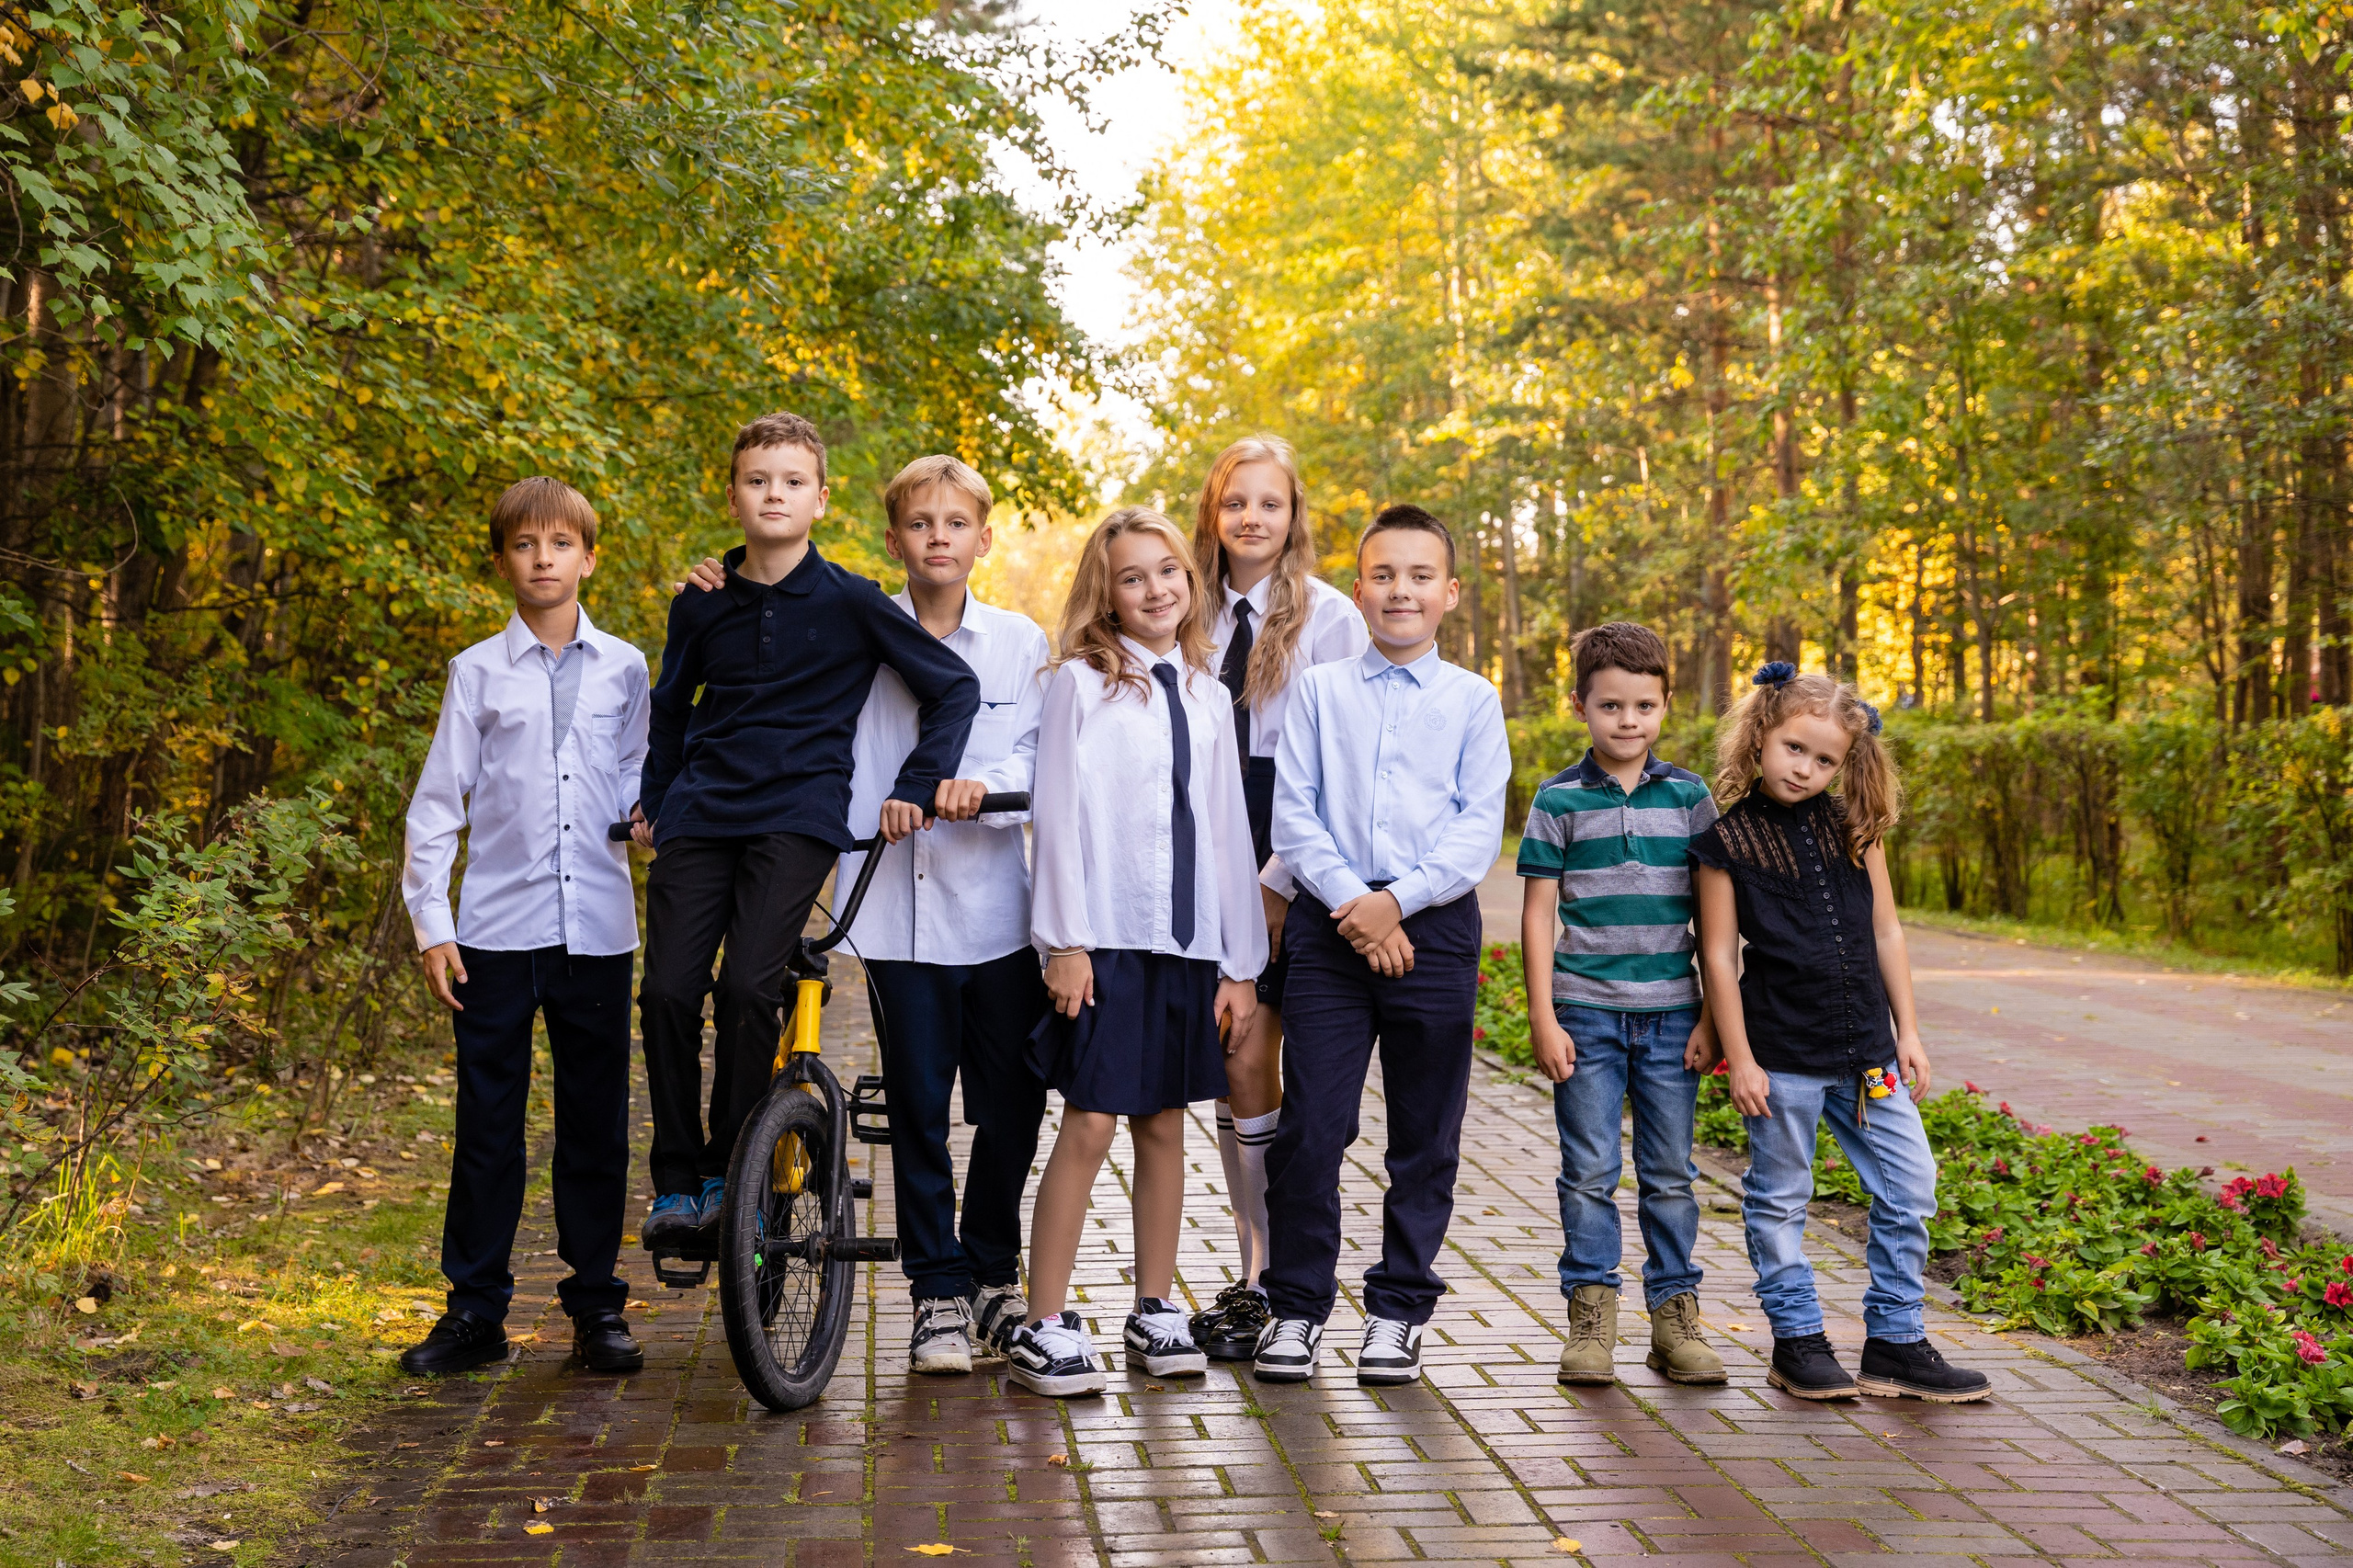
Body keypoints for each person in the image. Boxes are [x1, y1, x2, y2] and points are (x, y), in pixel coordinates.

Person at [633, 412, 980, 1253]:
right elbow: (671, 712)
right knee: (667, 993)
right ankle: (679, 1182)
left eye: (792, 482)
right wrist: (656, 802)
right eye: (758, 481)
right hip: (702, 816)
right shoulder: (701, 602)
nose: (774, 495)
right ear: (733, 496)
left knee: (751, 989)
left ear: (820, 499)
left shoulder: (853, 601)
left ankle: (733, 1173)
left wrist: (914, 787)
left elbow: (954, 688)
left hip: (797, 818)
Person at [1252, 505, 1511, 1386]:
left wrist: (1396, 903)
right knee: (1312, 1127)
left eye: (1420, 575)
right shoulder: (1320, 692)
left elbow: (1478, 834)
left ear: (1449, 593)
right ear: (1358, 589)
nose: (1402, 590)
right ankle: (1295, 1308)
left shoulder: (1474, 702)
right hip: (1331, 929)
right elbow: (1295, 814)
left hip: (1433, 931)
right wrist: (1357, 906)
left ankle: (1399, 1311)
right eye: (1385, 575)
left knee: (1425, 1135)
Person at [1011, 506, 1267, 1398]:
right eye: (1132, 576)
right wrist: (1065, 941)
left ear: (1189, 581)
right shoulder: (1079, 683)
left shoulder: (1204, 689)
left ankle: (1153, 1304)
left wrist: (1240, 960)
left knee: (1165, 1123)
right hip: (1106, 936)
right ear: (1106, 592)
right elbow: (1056, 814)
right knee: (1088, 1120)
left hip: (1187, 941)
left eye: (1168, 570)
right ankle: (1043, 1321)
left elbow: (1229, 829)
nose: (1155, 588)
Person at [399, 477, 650, 1377]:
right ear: (502, 559)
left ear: (588, 556)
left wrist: (650, 815)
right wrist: (434, 925)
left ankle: (594, 1306)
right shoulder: (478, 671)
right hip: (494, 934)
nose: (542, 559)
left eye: (559, 544)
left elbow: (635, 780)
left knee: (595, 1124)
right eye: (524, 545)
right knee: (488, 1124)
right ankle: (474, 1313)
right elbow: (436, 807)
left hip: (596, 929)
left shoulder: (626, 667)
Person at [1692, 662, 1991, 1403]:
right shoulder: (1726, 842)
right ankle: (1797, 1340)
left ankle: (1895, 1340)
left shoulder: (1854, 828)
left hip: (1869, 1057)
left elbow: (1886, 930)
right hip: (1783, 1057)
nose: (1806, 768)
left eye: (1825, 760)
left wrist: (1909, 1031)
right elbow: (1720, 958)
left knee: (1911, 1183)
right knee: (1781, 1197)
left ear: (1846, 765)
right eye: (1795, 749)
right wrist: (1742, 1058)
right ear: (1762, 736)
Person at [830, 456, 1051, 1375]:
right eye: (919, 523)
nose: (937, 538)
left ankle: (994, 1268)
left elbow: (1046, 765)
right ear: (893, 540)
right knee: (918, 1106)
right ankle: (936, 1294)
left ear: (983, 538)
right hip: (892, 910)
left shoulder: (1018, 642)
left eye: (955, 524)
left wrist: (987, 789)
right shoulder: (855, 634)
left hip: (997, 910)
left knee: (1012, 1099)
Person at [1187, 435, 1368, 1361]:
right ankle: (1257, 1268)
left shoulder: (1332, 619)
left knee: (1309, 1074)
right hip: (1214, 845)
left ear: (1294, 517)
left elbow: (1339, 767)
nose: (1251, 518)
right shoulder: (1185, 607)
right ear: (1212, 513)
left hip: (1303, 857)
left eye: (1270, 503)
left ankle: (1295, 1267)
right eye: (1234, 502)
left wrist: (1281, 881)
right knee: (1239, 1054)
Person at [1518, 621, 1725, 1388]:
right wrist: (1543, 1015)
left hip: (1675, 1013)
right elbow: (1539, 913)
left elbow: (1713, 920)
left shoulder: (1692, 799)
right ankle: (1592, 1318)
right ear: (1581, 706)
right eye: (1611, 706)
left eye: (1644, 705)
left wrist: (1710, 1014)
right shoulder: (1558, 798)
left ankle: (1675, 1319)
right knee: (1590, 1171)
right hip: (1587, 1013)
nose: (1628, 721)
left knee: (1670, 1172)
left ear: (1667, 704)